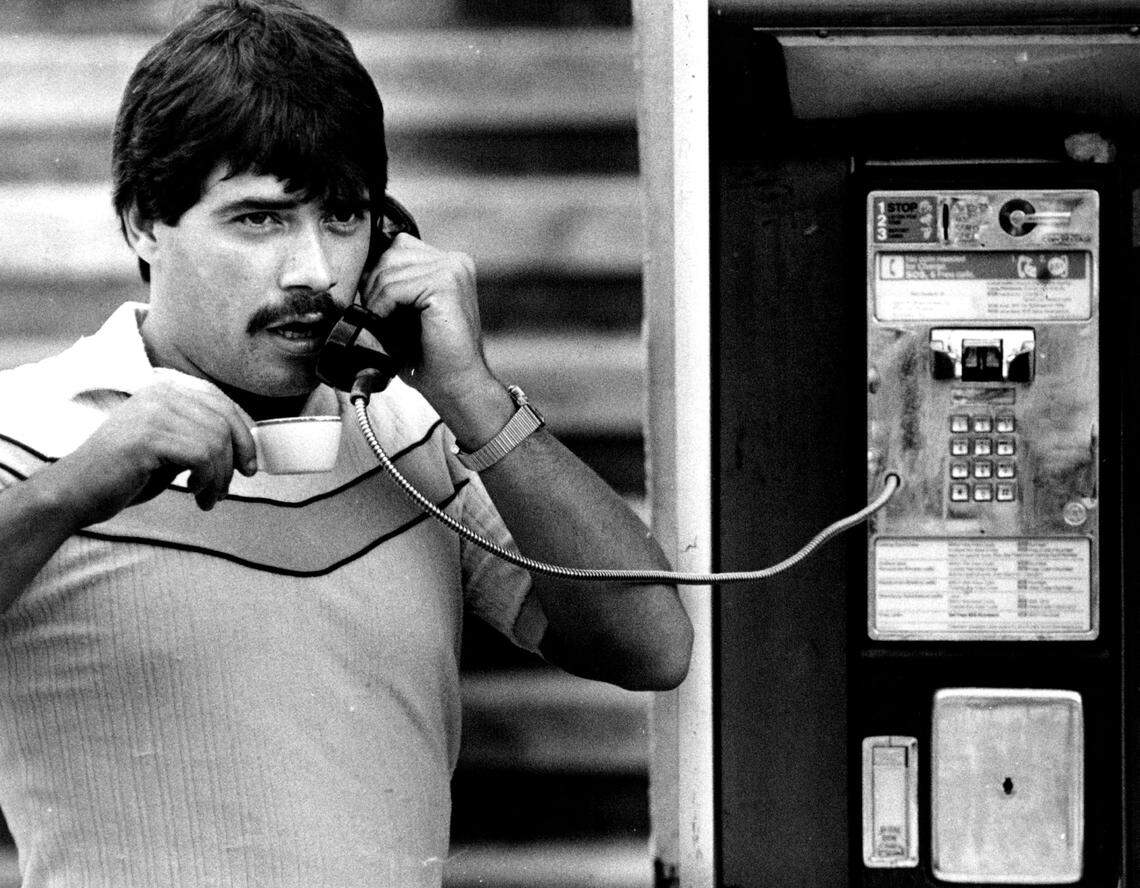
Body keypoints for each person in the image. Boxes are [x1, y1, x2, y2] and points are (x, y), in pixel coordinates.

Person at [0, 1, 692, 885]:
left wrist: (473, 396)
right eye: (259, 219)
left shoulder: (412, 433)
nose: (315, 273)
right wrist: (78, 485)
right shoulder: (31, 429)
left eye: (342, 218)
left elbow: (652, 647)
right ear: (143, 222)